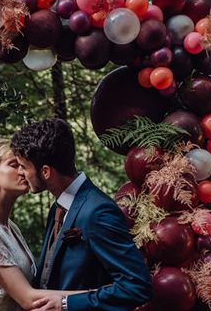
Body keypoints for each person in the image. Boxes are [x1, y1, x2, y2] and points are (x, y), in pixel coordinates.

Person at [10, 118, 152, 311]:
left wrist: (66, 304)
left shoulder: (98, 211)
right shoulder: (57, 209)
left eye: (23, 166)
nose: (20, 173)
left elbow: (136, 287)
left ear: (45, 171)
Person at [0, 138, 87, 310]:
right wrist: (102, 295)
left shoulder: (10, 227)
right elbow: (29, 298)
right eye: (14, 164)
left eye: (22, 164)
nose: (23, 171)